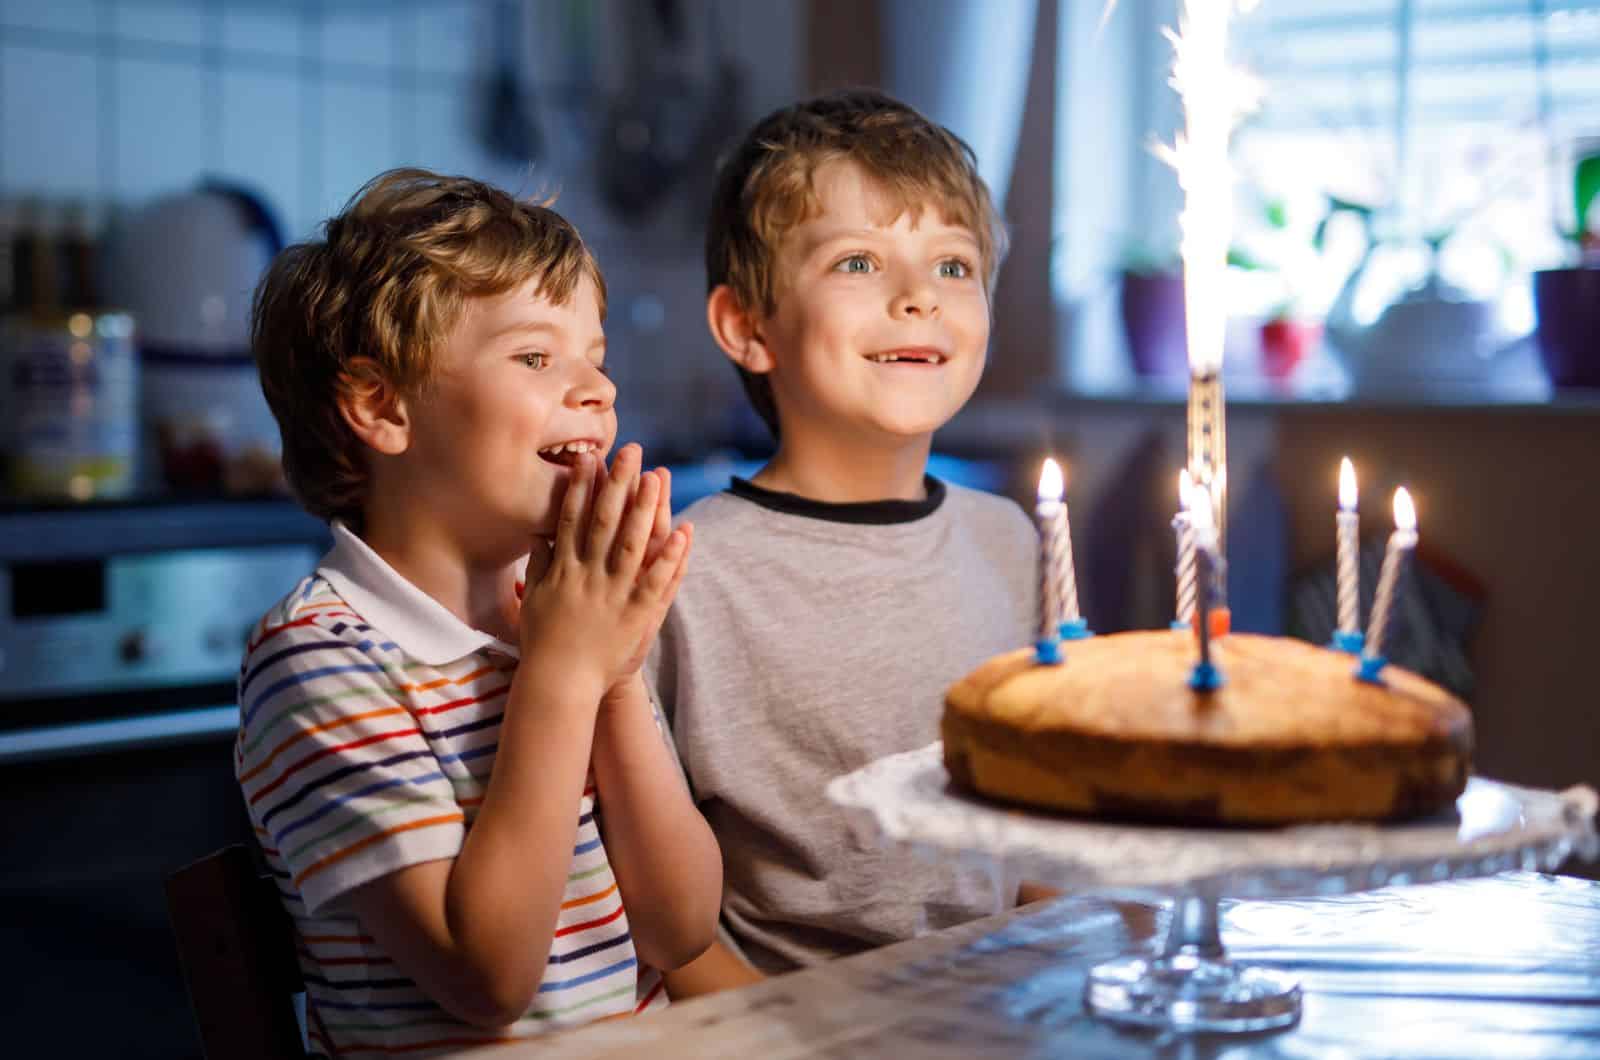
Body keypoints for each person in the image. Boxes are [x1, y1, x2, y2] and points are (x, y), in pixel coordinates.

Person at [237, 168, 721, 1056]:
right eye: (537, 358)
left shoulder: (562, 614)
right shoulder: (316, 660)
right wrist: (568, 674)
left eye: (597, 359)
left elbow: (681, 926)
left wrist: (609, 677)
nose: (597, 391)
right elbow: (487, 976)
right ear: (382, 404)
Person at [646, 90, 1048, 999]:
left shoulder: (1012, 542)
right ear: (748, 327)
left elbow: (1045, 836)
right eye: (860, 261)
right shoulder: (679, 573)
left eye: (954, 265)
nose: (918, 298)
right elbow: (657, 918)